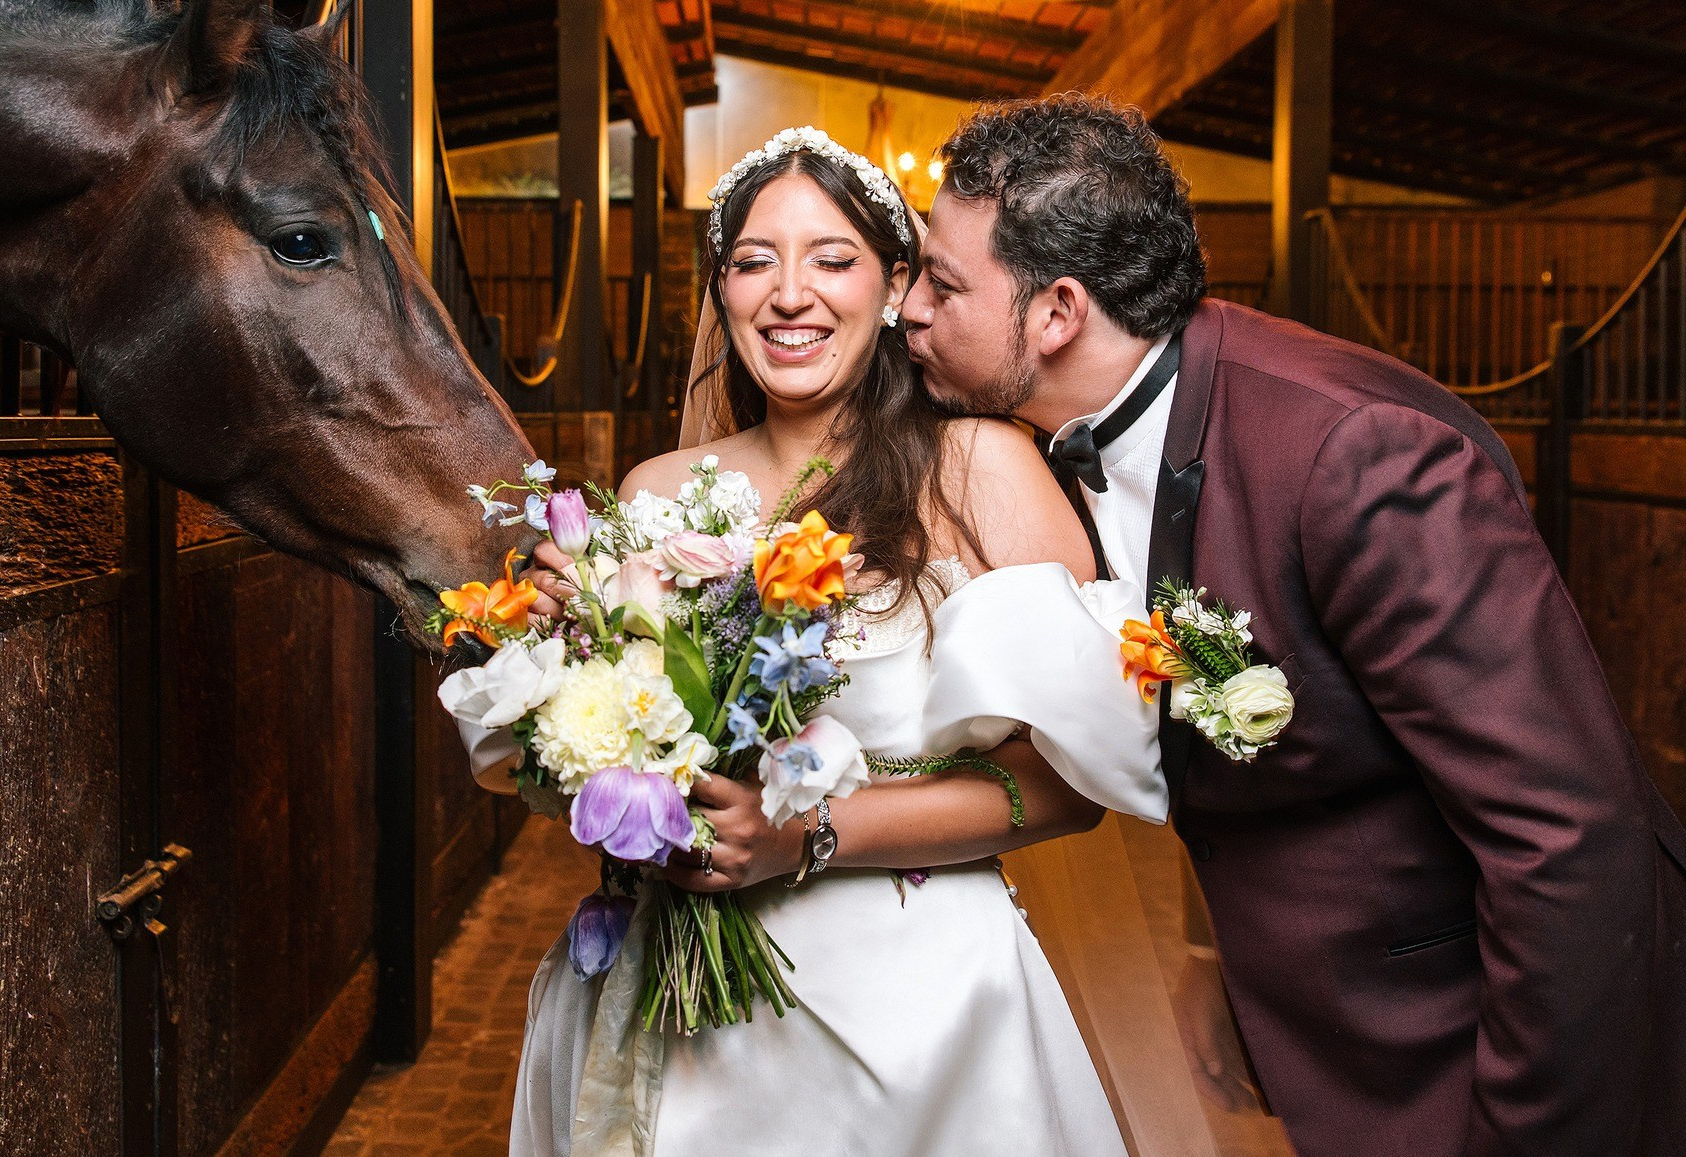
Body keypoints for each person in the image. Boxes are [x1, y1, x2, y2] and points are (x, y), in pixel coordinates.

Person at [899, 92, 1686, 1157]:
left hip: (1511, 1049)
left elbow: (1563, 839)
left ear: (1054, 313)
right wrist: (1213, 960)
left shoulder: (1356, 455)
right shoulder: (1055, 449)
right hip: (1344, 1029)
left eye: (939, 283)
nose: (906, 307)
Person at [457, 128, 1184, 1157]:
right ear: (721, 294)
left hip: (923, 1026)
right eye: (753, 262)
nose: (788, 294)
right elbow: (606, 755)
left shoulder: (982, 471)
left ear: (896, 285)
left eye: (830, 260)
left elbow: (1064, 792)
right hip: (670, 1004)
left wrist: (805, 837)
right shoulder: (653, 494)